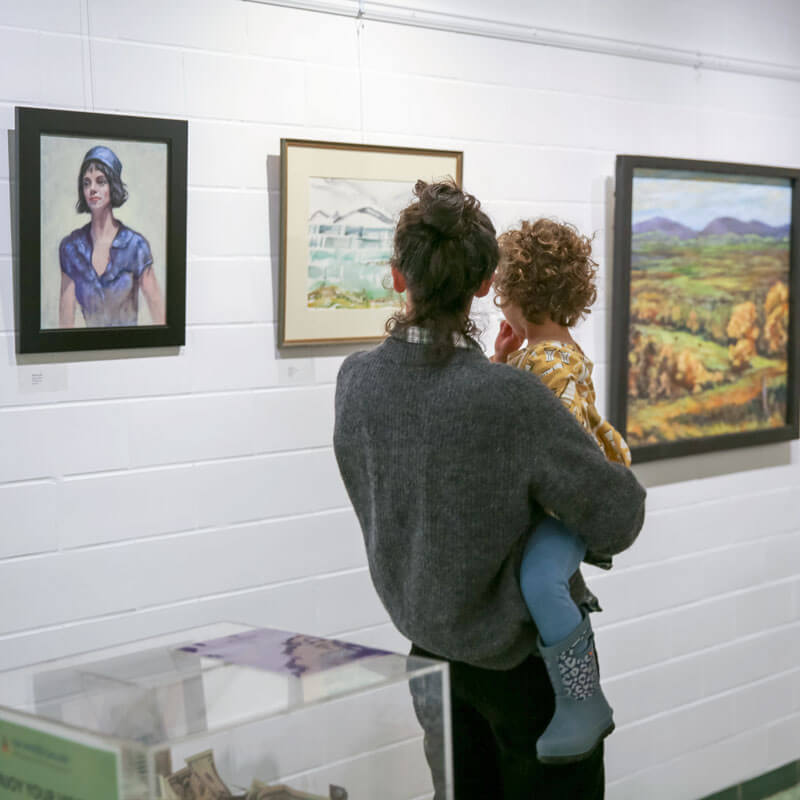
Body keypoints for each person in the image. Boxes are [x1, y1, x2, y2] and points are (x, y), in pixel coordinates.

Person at [333, 180, 646, 799]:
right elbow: (620, 514)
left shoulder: (356, 383)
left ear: (397, 276)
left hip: (429, 657)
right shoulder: (511, 397)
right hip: (522, 672)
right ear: (483, 285)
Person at [492, 217, 632, 766]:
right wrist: (503, 360)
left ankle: (583, 699)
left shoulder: (551, 364)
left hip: (562, 509)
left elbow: (558, 444)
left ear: (523, 296)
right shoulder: (544, 352)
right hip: (553, 503)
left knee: (542, 580)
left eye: (504, 295)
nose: (500, 305)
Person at [58, 145, 165, 328]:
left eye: (100, 181)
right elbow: (65, 322)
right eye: (86, 183)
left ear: (113, 186)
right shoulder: (71, 248)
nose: (92, 189)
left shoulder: (135, 246)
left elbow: (160, 315)